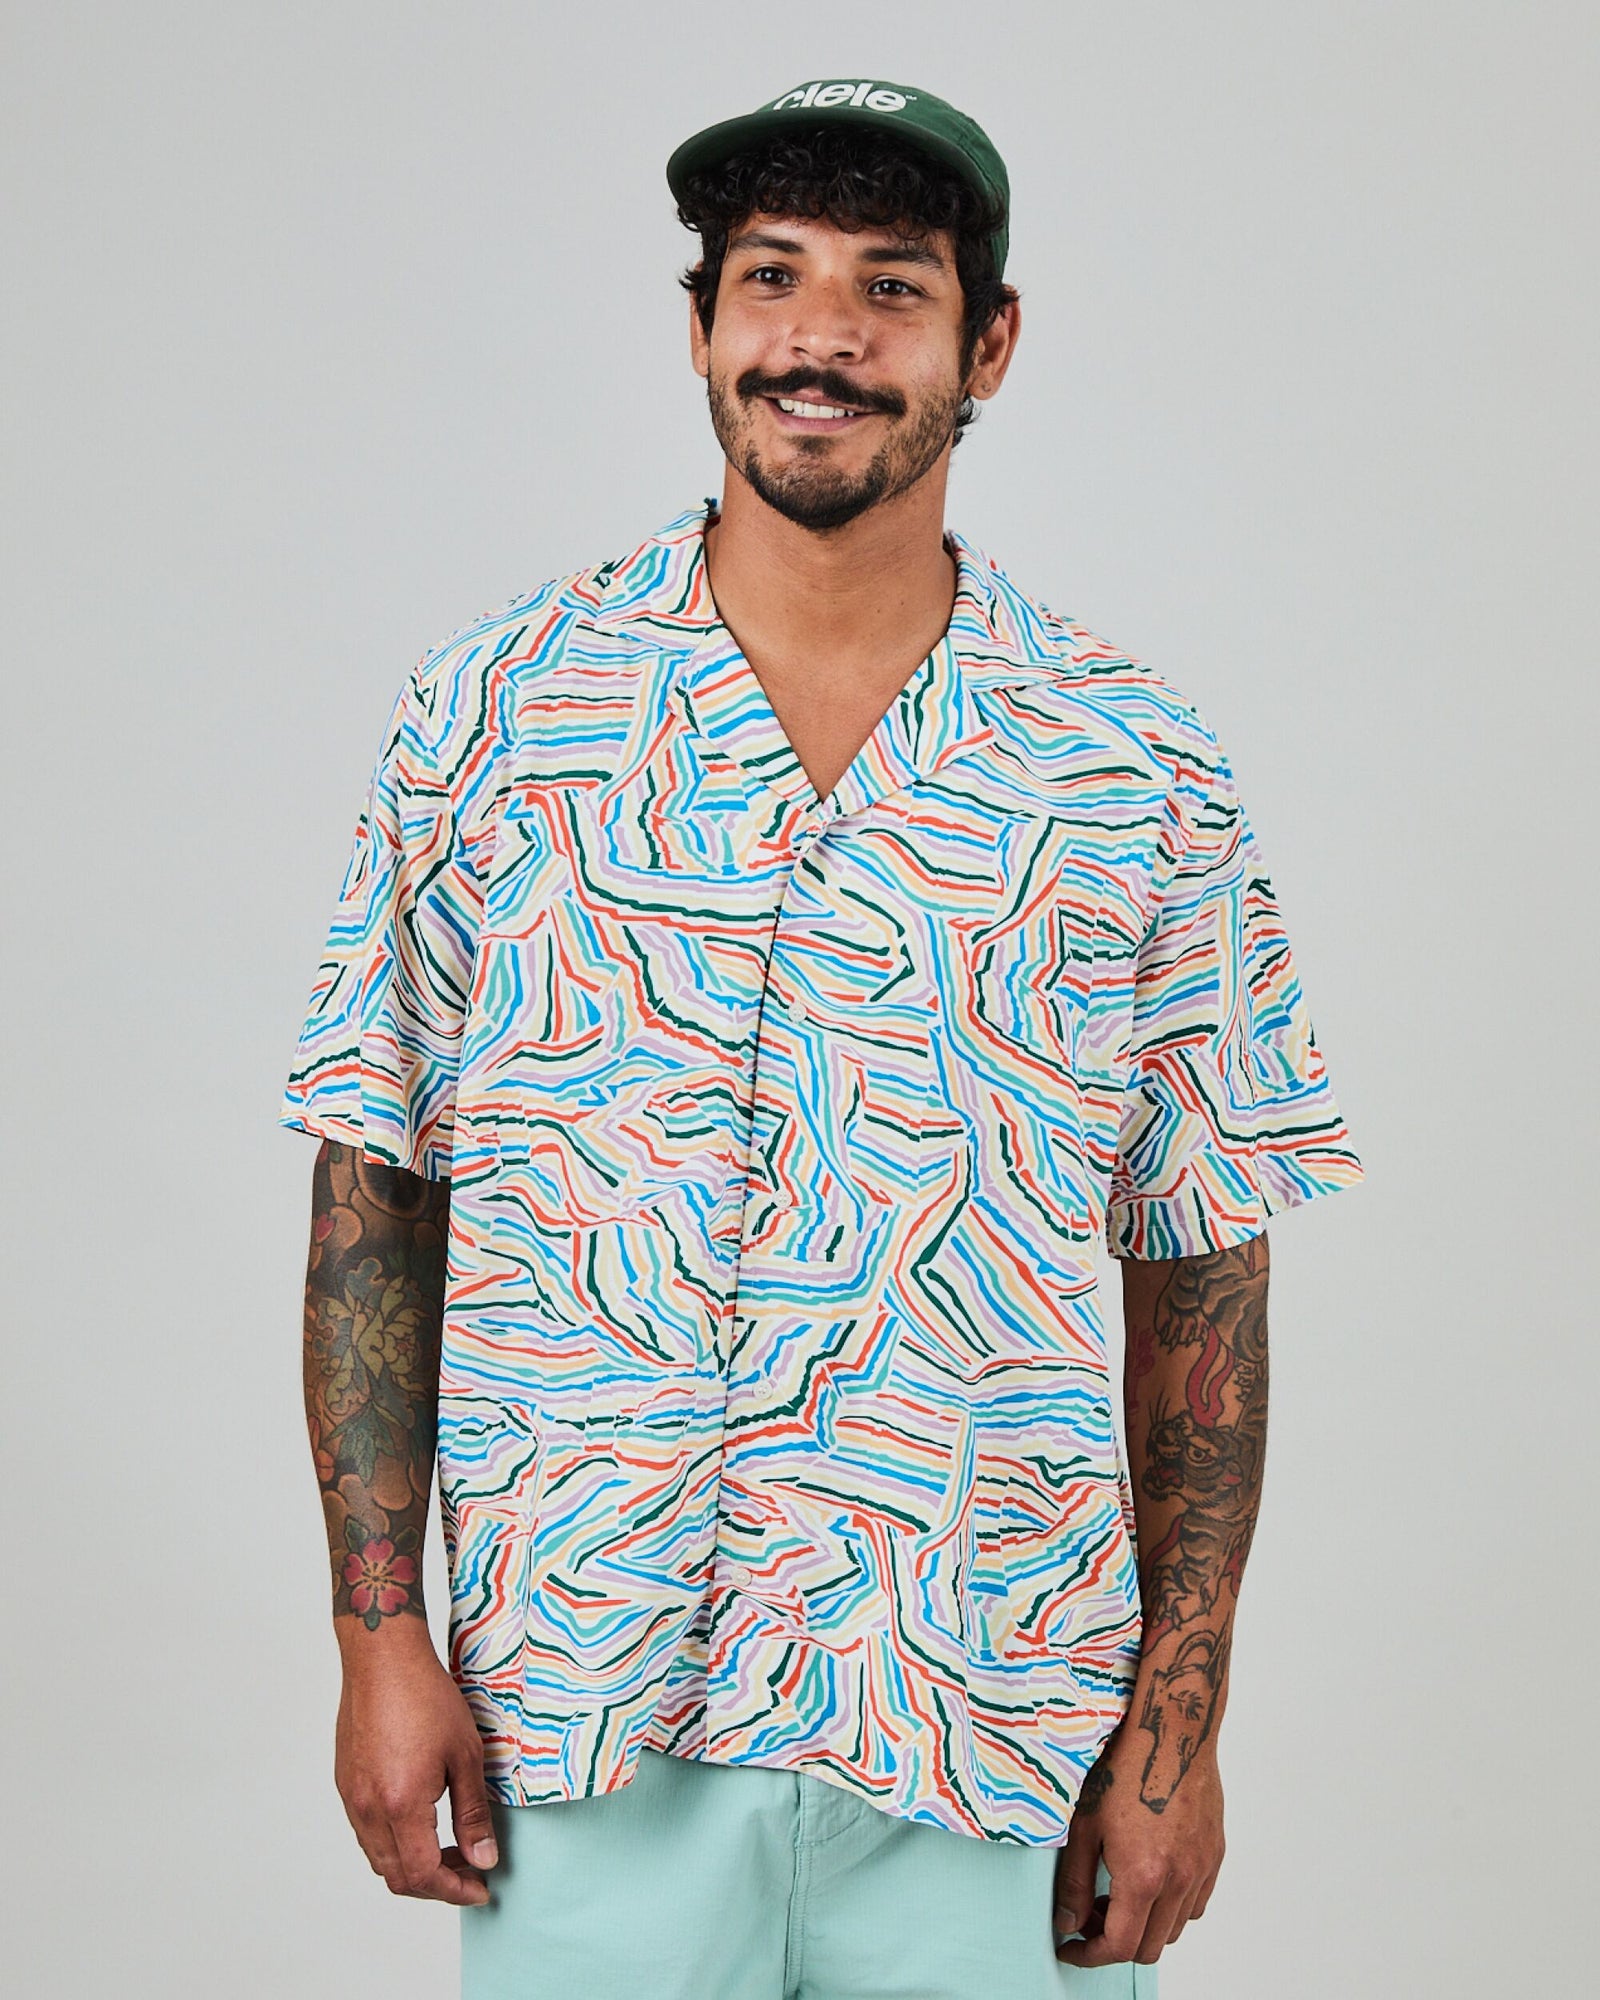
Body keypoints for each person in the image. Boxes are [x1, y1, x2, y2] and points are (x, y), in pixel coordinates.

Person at [282, 77, 1362, 2000]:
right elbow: (376, 1193)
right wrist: (380, 1641)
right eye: (770, 278)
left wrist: (1178, 1731)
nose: (823, 336)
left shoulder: (1132, 764)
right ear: (701, 327)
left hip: (996, 1732)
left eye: (892, 286)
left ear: (987, 345)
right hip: (584, 1720)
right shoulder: (497, 716)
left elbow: (1204, 1262)